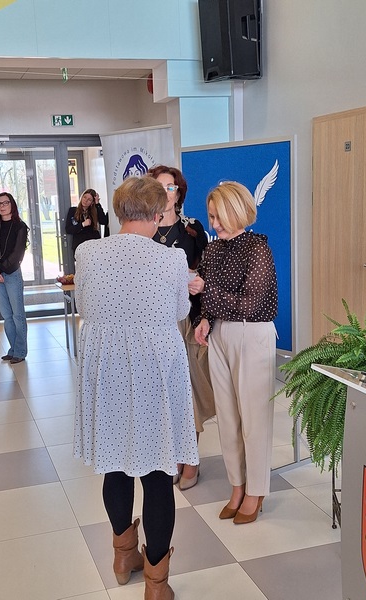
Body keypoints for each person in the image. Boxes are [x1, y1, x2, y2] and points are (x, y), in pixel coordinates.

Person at [73, 176, 198, 599]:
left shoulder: (88, 252)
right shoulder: (171, 258)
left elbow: (84, 305)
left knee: (116, 464)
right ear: (159, 214)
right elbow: (179, 310)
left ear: (119, 209)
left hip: (107, 367)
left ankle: (123, 556)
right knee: (158, 473)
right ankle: (156, 585)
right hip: (154, 371)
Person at [194, 181, 278, 525]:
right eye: (211, 217)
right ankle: (237, 486)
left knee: (254, 418)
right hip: (220, 334)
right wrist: (204, 319)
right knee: (227, 418)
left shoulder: (258, 249)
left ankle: (256, 490)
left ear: (238, 211)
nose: (214, 224)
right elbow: (208, 297)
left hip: (252, 333)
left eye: (219, 217)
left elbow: (251, 303)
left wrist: (206, 292)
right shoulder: (213, 250)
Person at [148, 165, 215, 491]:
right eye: (159, 187)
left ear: (179, 192)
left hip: (187, 319)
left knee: (190, 392)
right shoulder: (142, 229)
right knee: (163, 395)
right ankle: (174, 455)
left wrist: (198, 282)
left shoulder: (193, 229)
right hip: (152, 321)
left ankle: (191, 459)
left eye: (171, 187)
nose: (165, 193)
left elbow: (208, 270)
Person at [0, 192, 29, 365]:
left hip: (12, 273)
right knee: (6, 316)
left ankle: (21, 351)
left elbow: (17, 254)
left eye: (6, 203)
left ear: (12, 205)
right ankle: (13, 349)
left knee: (18, 315)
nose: (2, 206)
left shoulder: (20, 226)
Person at [65, 188, 108, 254]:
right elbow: (68, 229)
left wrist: (97, 204)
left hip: (93, 244)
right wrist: (82, 224)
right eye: (84, 197)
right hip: (79, 245)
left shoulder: (94, 212)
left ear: (92, 202)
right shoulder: (73, 211)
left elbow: (104, 221)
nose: (86, 200)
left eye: (89, 200)